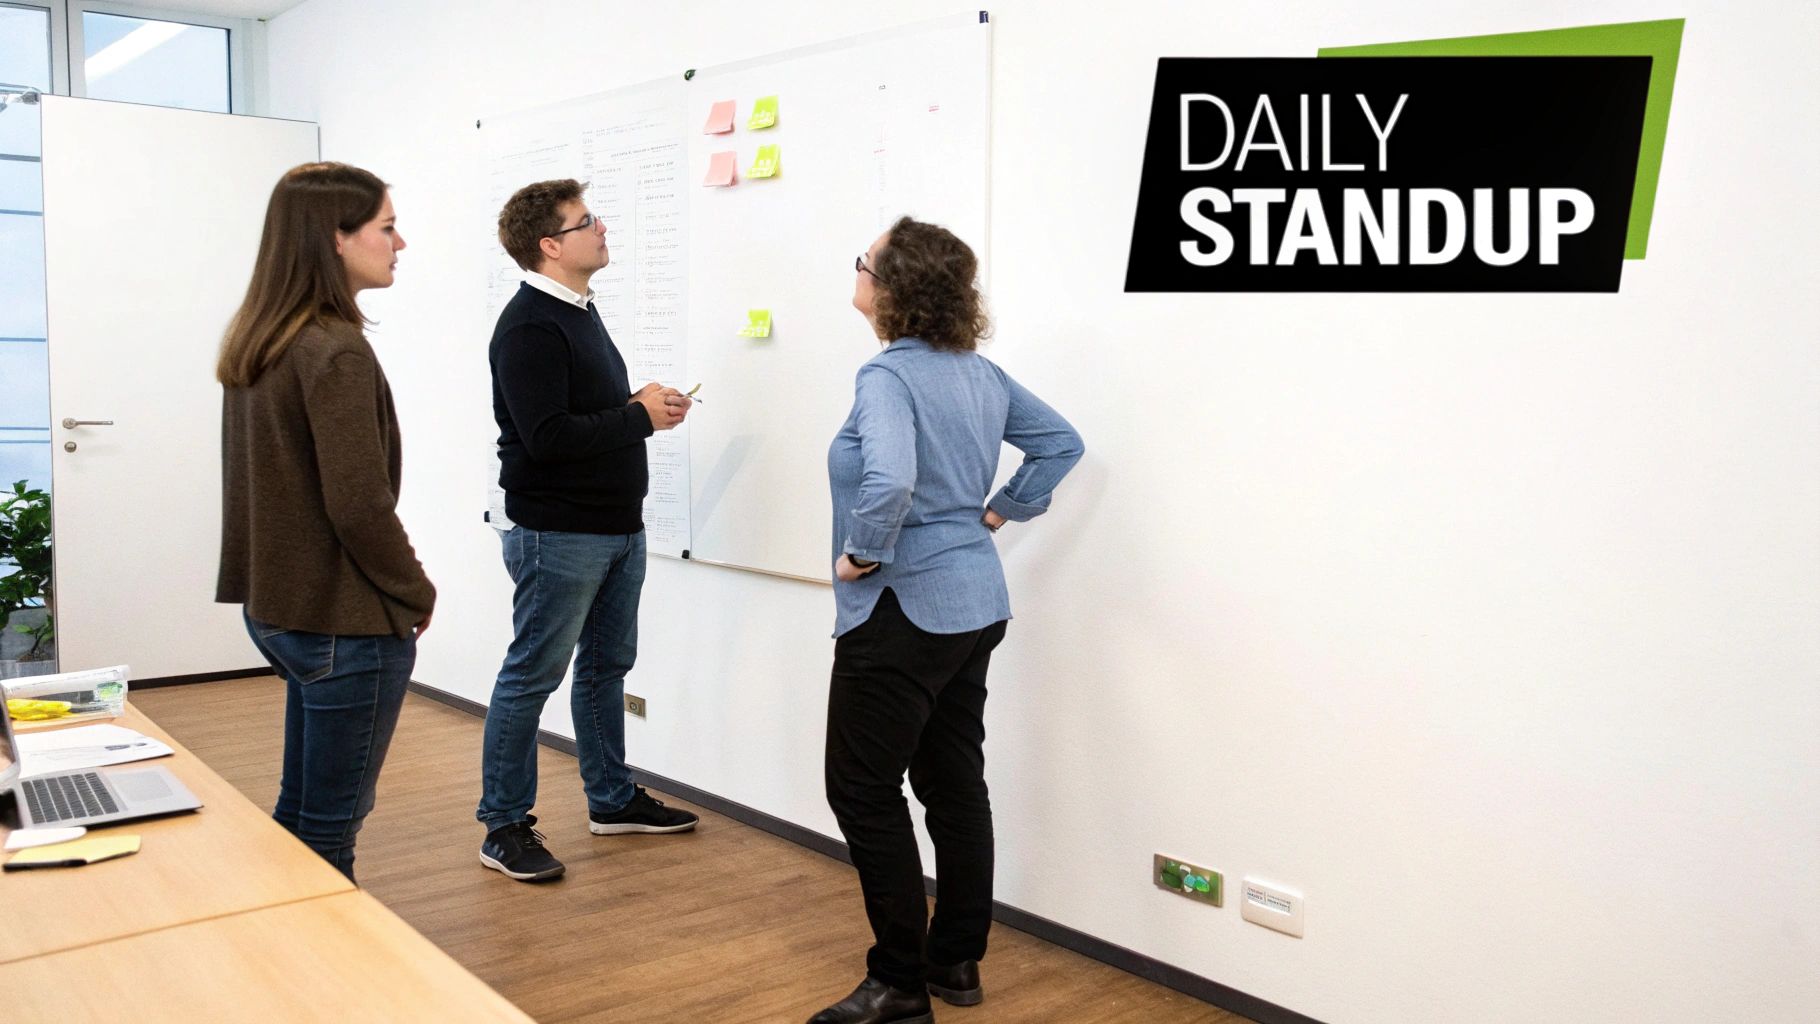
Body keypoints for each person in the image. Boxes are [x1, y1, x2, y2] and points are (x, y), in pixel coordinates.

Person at [812, 218, 1085, 1024]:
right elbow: (1061, 444)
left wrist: (862, 553)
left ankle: (898, 983)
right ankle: (955, 960)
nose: (856, 271)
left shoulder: (886, 376)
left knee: (862, 789)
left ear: (889, 288)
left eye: (863, 262)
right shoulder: (979, 373)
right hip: (973, 605)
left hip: (901, 610)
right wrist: (997, 512)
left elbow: (891, 479)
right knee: (953, 780)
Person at [215, 162, 435, 882]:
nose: (400, 243)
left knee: (303, 815)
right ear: (335, 238)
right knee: (329, 831)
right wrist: (414, 589)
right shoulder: (335, 348)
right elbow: (359, 504)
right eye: (387, 227)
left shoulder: (265, 336)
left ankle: (280, 937)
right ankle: (316, 954)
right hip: (343, 621)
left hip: (282, 609)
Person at [477, 178, 697, 882]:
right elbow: (545, 438)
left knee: (606, 668)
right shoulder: (530, 325)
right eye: (587, 221)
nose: (602, 228)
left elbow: (578, 413)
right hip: (559, 534)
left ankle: (612, 799)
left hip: (616, 527)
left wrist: (636, 403)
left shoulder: (579, 312)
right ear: (550, 245)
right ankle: (504, 826)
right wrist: (638, 418)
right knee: (531, 676)